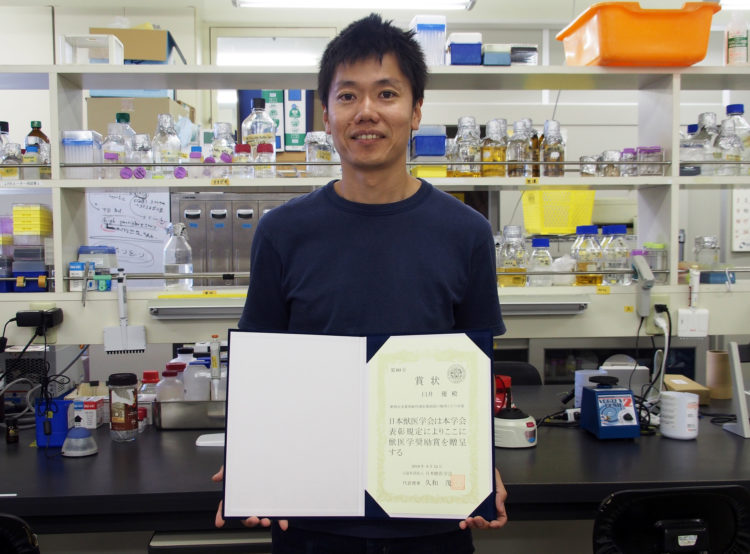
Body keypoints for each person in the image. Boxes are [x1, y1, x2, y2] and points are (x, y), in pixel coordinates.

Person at [214, 13, 507, 552]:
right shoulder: (282, 232)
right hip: (311, 517)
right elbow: (264, 366)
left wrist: (479, 460)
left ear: (416, 111)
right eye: (347, 96)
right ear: (327, 115)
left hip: (430, 518)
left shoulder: (466, 232)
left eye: (387, 94)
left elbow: (474, 366)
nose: (366, 111)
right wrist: (251, 462)